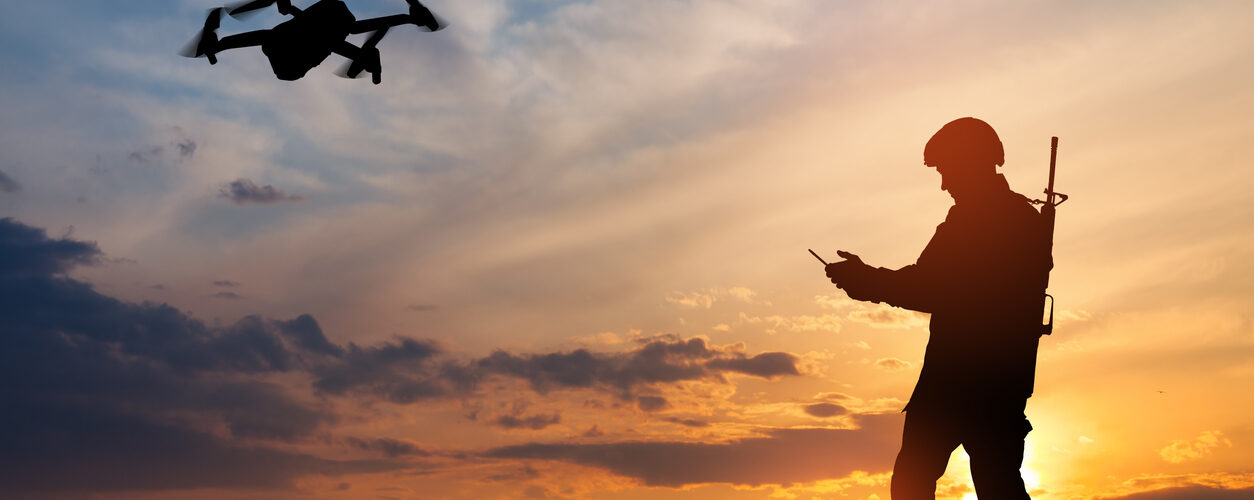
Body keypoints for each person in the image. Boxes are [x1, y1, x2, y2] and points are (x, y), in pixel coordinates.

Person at [825, 117, 1052, 499]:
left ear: (973, 162)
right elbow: (936, 284)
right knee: (996, 483)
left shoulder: (985, 220)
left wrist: (867, 281)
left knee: (921, 480)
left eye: (948, 169)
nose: (945, 184)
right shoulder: (1012, 218)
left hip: (962, 382)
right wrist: (868, 281)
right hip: (993, 383)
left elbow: (934, 287)